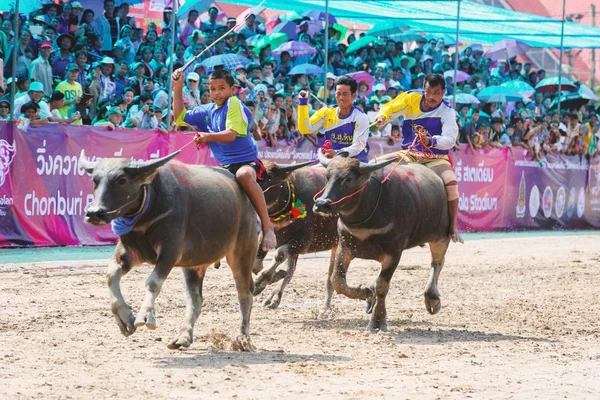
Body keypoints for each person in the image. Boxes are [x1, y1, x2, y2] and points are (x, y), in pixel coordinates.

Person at [172, 68, 277, 251]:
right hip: (224, 167)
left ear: (232, 89)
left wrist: (206, 136)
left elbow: (230, 135)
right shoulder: (207, 110)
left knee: (244, 175)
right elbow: (179, 119)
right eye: (212, 89)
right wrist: (178, 88)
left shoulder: (234, 103)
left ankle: (268, 228)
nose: (216, 93)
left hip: (246, 162)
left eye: (221, 88)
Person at [374, 73, 462, 243]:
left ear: (443, 92)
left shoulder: (448, 111)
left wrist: (430, 141)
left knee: (451, 183)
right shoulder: (410, 98)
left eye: (437, 93)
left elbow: (450, 140)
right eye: (428, 91)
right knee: (374, 165)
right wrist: (382, 116)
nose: (431, 97)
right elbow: (390, 107)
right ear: (424, 89)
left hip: (435, 157)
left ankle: (453, 228)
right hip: (410, 154)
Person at [297, 75, 370, 161]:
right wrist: (303, 104)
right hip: (332, 162)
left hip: (356, 162)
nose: (341, 98)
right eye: (338, 94)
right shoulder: (327, 111)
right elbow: (305, 130)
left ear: (353, 96)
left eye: (345, 94)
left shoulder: (361, 117)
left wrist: (338, 153)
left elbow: (358, 146)